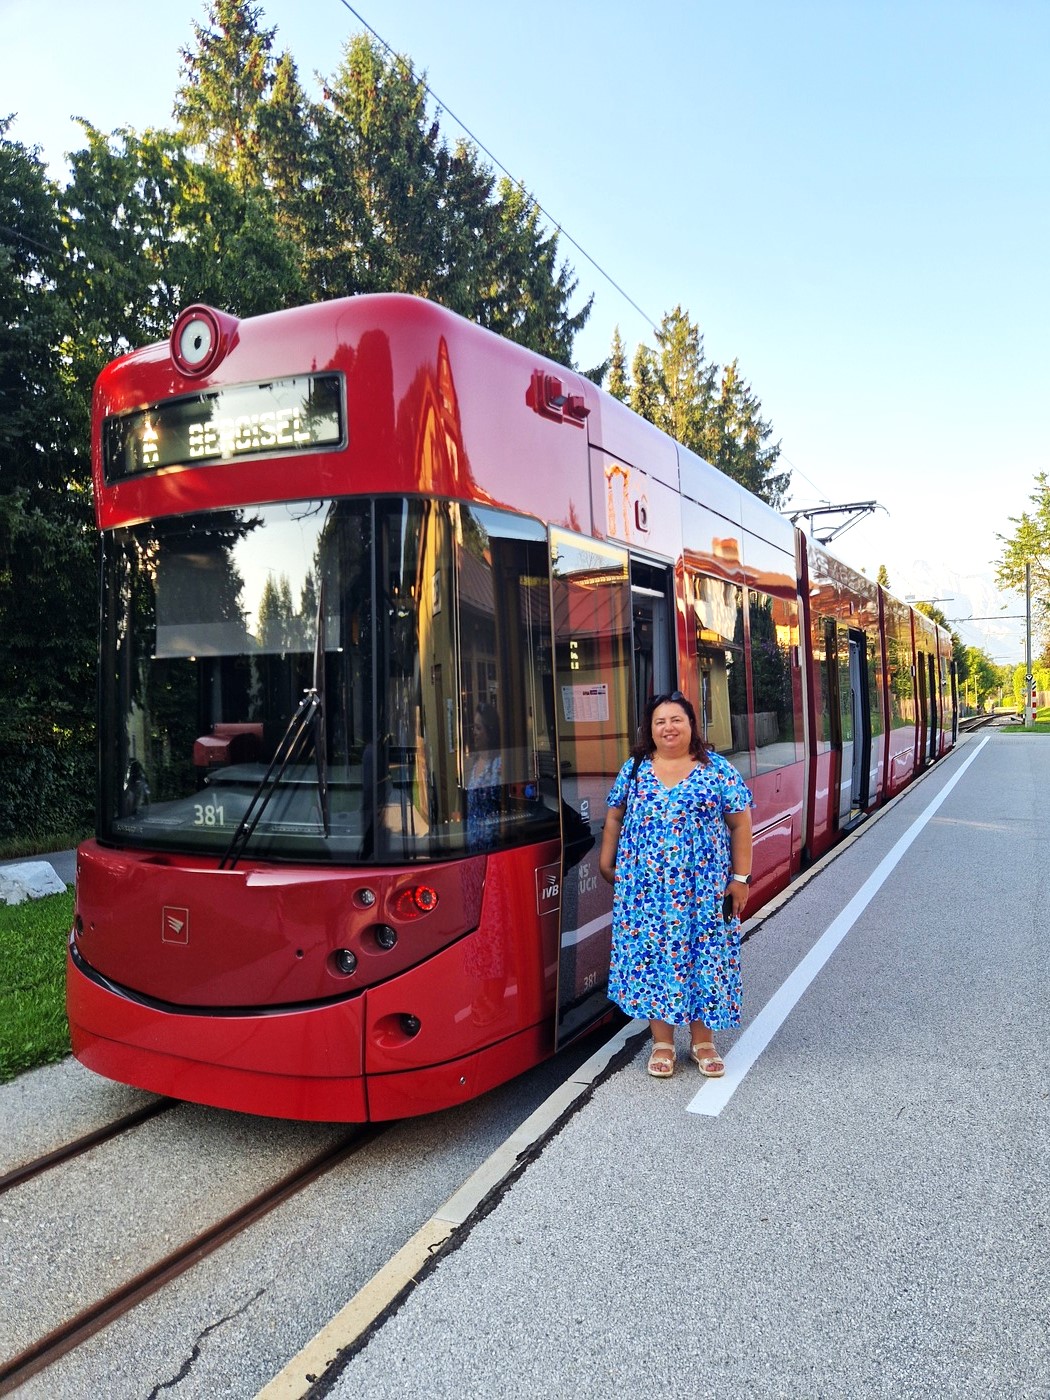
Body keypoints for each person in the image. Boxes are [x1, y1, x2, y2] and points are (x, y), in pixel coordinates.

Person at [598, 690, 754, 1079]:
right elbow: (615, 815)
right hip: (646, 892)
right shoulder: (635, 769)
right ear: (650, 729)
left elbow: (740, 824)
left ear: (691, 725)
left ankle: (703, 1042)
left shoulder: (717, 770)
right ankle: (663, 1043)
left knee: (704, 958)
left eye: (676, 720)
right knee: (654, 959)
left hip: (704, 891)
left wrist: (740, 879)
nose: (668, 727)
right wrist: (606, 860)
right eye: (660, 721)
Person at [465, 702, 503, 851]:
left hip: (491, 846)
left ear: (490, 732)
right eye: (473, 727)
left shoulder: (498, 764)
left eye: (479, 728)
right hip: (472, 845)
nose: (474, 732)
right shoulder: (474, 762)